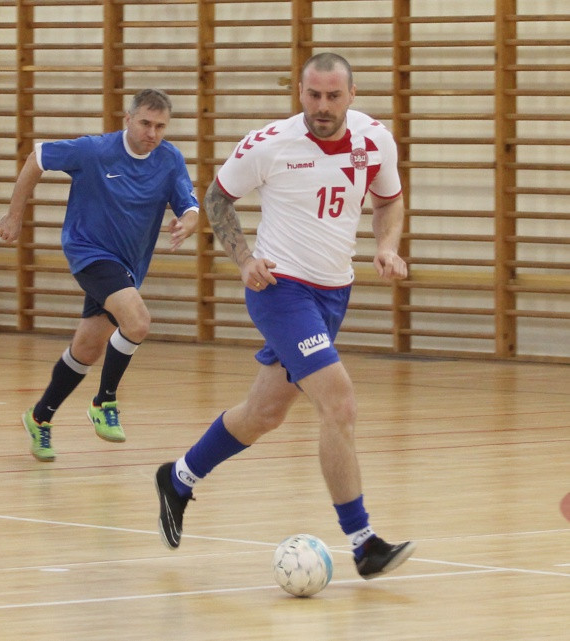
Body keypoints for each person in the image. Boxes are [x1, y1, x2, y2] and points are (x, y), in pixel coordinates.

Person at [154, 53, 417, 579]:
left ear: (352, 95)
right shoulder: (269, 144)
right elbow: (217, 200)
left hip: (333, 293)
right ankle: (363, 542)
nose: (322, 106)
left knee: (265, 412)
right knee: (338, 402)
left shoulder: (375, 140)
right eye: (313, 95)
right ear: (300, 92)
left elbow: (389, 201)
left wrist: (387, 246)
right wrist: (244, 259)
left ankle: (178, 477)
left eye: (333, 96)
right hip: (279, 289)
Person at [0, 88, 199, 462]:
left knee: (87, 349)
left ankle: (39, 418)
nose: (152, 133)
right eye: (145, 123)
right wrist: (14, 214)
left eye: (160, 126)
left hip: (128, 266)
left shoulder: (169, 159)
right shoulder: (94, 150)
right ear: (127, 119)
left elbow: (190, 206)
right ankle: (104, 401)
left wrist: (187, 223)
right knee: (137, 322)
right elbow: (37, 158)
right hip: (89, 252)